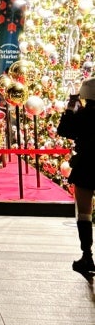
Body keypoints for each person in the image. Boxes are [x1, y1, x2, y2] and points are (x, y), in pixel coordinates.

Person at [57, 78, 95, 277]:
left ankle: (87, 254)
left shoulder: (83, 115)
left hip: (86, 164)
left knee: (84, 213)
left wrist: (71, 107)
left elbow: (64, 130)